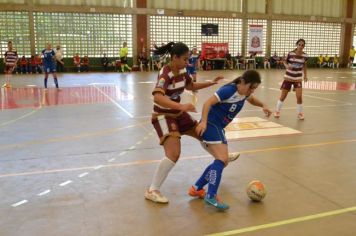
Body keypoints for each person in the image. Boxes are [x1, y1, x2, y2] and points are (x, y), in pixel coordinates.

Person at [144, 42, 240, 204]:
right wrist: (181, 106)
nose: (187, 63)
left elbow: (191, 85)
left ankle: (221, 156)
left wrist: (211, 83)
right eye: (184, 59)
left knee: (203, 132)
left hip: (178, 114)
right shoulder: (165, 74)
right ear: (174, 58)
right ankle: (152, 190)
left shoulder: (181, 70)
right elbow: (158, 97)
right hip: (163, 116)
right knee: (174, 154)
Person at [189, 70, 271, 210]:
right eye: (251, 87)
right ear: (243, 82)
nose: (252, 91)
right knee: (221, 159)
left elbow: (251, 99)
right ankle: (211, 195)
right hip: (211, 125)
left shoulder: (244, 93)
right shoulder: (228, 90)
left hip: (218, 127)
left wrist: (263, 105)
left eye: (255, 88)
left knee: (222, 161)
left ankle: (196, 188)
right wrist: (203, 122)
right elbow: (207, 103)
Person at [274, 39, 308, 120]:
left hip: (298, 78)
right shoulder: (291, 53)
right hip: (288, 78)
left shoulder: (305, 56)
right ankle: (277, 111)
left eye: (302, 45)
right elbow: (284, 61)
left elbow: (304, 66)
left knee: (299, 97)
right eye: (299, 44)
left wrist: (305, 75)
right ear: (297, 45)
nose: (300, 46)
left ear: (304, 46)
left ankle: (299, 113)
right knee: (283, 96)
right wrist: (286, 66)